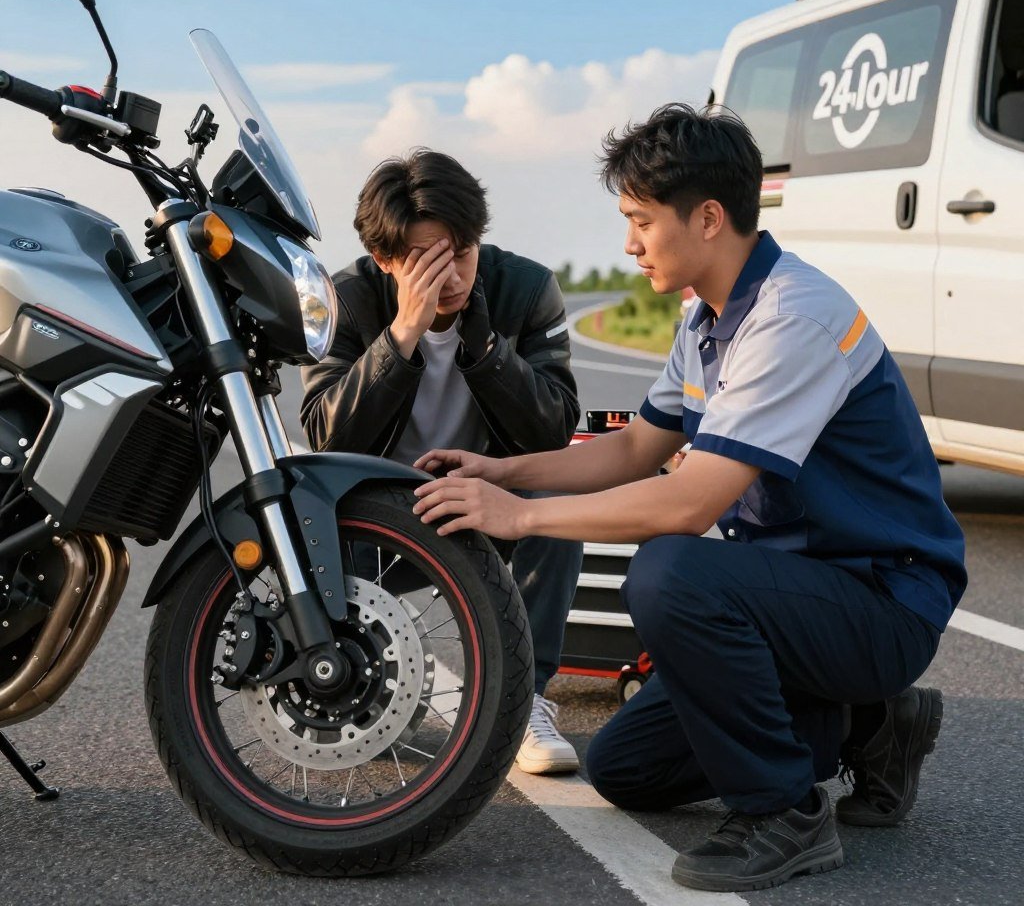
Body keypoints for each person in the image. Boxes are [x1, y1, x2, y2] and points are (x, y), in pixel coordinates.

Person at [410, 105, 965, 893]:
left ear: (708, 218)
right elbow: (638, 447)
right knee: (625, 769)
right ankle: (871, 723)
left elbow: (685, 504)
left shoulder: (791, 317)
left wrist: (522, 518)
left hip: (880, 599)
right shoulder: (706, 316)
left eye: (640, 221)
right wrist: (504, 474)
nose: (629, 244)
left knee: (672, 573)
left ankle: (786, 816)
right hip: (798, 600)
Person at [300, 148, 584, 775]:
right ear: (385, 259)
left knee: (555, 508)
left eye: (460, 252)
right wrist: (401, 335)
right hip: (374, 512)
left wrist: (483, 349)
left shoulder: (525, 288)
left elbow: (554, 430)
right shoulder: (343, 297)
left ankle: (527, 698)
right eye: (426, 261)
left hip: (484, 497)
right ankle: (357, 683)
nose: (450, 276)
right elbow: (324, 432)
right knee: (302, 518)